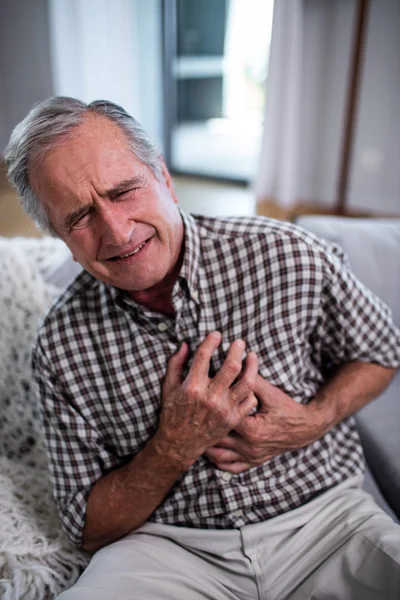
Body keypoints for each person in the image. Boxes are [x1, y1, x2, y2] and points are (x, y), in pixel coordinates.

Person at [5, 96, 400, 600]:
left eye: (123, 191)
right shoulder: (60, 345)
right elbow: (88, 527)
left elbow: (381, 351)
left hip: (328, 522)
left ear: (163, 178)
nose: (117, 230)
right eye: (79, 217)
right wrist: (174, 445)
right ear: (58, 236)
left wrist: (314, 419)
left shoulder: (288, 253)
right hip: (167, 550)